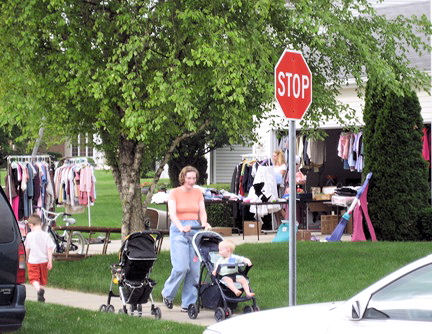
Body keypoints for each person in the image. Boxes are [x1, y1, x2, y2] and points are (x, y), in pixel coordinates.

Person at [161, 166, 211, 312]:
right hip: (179, 231)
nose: (191, 181)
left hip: (194, 230)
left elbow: (202, 212)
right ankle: (167, 294)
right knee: (181, 267)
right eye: (189, 178)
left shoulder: (198, 193)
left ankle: (188, 303)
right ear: (183, 178)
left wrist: (204, 223)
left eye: (194, 178)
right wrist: (181, 227)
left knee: (194, 270)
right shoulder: (175, 193)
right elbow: (172, 213)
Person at [24, 213, 55, 302]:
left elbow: (27, 249)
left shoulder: (30, 235)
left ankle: (39, 290)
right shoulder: (46, 235)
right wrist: (50, 261)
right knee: (42, 279)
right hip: (44, 261)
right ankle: (40, 295)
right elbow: (49, 249)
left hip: (33, 261)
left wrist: (26, 259)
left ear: (30, 225)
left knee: (33, 279)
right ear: (41, 224)